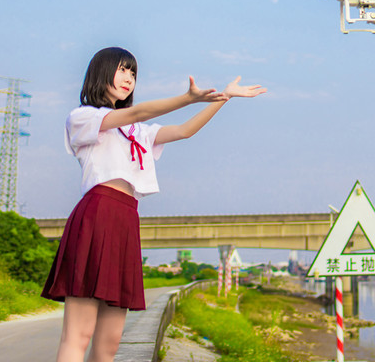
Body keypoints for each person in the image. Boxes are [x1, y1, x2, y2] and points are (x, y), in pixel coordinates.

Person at [41, 46, 266, 362]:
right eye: (121, 69)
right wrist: (187, 98)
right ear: (100, 72)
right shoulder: (84, 117)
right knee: (78, 334)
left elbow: (184, 131)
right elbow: (134, 112)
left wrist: (223, 97)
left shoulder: (138, 132)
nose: (128, 79)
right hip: (97, 215)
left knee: (110, 343)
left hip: (126, 220)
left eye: (133, 73)